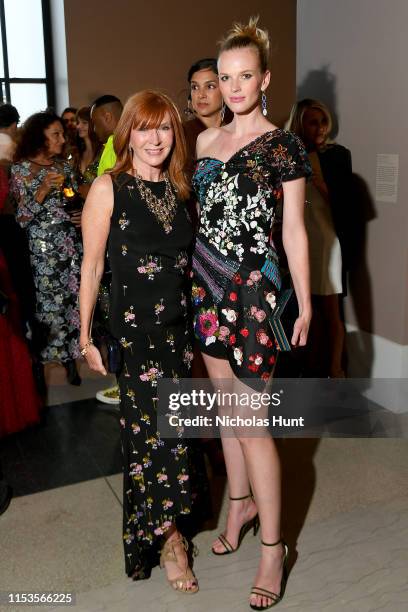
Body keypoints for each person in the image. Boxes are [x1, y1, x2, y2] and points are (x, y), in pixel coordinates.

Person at [191, 17, 311, 610]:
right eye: (224, 78)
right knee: (224, 409)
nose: (233, 88)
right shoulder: (204, 142)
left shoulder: (284, 146)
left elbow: (293, 231)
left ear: (265, 79)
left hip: (256, 299)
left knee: (253, 422)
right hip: (206, 291)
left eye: (244, 77)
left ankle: (273, 548)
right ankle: (237, 506)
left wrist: (307, 301)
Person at [79, 89, 209, 591]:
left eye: (163, 128)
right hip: (135, 337)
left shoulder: (179, 189)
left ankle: (167, 524)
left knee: (176, 433)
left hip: (178, 335)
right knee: (151, 440)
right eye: (144, 128)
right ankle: (171, 539)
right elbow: (91, 266)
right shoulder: (109, 188)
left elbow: (189, 266)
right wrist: (86, 333)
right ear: (127, 134)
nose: (155, 138)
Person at [11, 111, 82, 384]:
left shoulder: (64, 167)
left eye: (63, 134)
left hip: (71, 246)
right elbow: (22, 219)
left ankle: (73, 358)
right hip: (41, 253)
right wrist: (41, 191)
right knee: (47, 307)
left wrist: (78, 215)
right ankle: (46, 361)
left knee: (73, 302)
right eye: (56, 134)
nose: (63, 139)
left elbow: (73, 202)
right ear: (39, 137)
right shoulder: (20, 170)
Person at [287, 98, 351, 377]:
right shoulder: (288, 153)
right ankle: (307, 370)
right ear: (300, 123)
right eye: (313, 121)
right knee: (302, 310)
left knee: (331, 311)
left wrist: (317, 179)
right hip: (299, 240)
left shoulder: (337, 155)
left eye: (323, 121)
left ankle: (336, 371)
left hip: (326, 242)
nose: (321, 128)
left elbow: (344, 203)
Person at [89, 94, 123, 404]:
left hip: (115, 253)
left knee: (114, 317)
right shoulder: (121, 143)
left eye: (95, 122)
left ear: (108, 119)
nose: (94, 129)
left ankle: (121, 379)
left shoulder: (115, 145)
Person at [74, 106, 102, 199]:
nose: (78, 126)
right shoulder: (76, 153)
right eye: (78, 123)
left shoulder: (103, 152)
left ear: (94, 124)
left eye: (84, 123)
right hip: (77, 208)